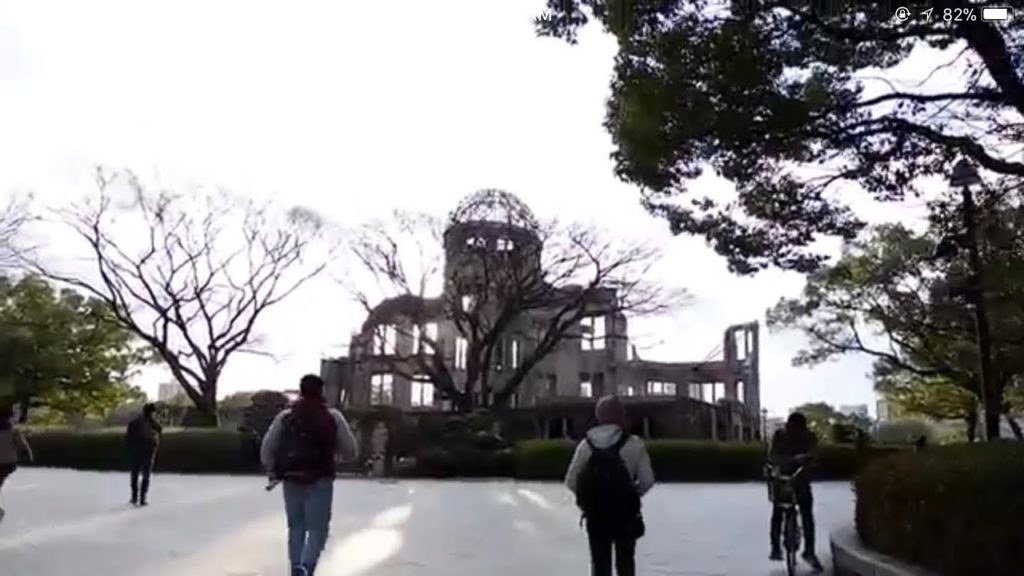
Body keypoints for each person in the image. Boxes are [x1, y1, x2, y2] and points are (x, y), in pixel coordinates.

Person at [261, 374, 358, 576]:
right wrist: (337, 458)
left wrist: (272, 470)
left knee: (296, 527)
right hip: (321, 478)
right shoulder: (333, 416)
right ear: (322, 391)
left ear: (301, 391)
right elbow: (351, 450)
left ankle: (296, 567)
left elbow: (267, 448)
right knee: (318, 529)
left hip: (291, 478)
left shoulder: (286, 417)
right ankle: (306, 566)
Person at [565, 395, 655, 576]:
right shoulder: (634, 444)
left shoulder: (586, 445)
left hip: (596, 515)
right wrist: (632, 493)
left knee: (599, 564)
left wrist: (588, 498)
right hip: (625, 515)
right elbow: (648, 480)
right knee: (626, 564)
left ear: (598, 416)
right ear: (620, 415)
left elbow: (570, 481)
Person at [768, 412, 824, 571]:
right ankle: (808, 552)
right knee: (805, 515)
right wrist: (798, 460)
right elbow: (773, 456)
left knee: (780, 513)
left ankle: (777, 548)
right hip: (792, 480)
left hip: (790, 480)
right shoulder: (802, 436)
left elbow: (773, 456)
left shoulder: (782, 435)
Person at [0, 405, 33, 524]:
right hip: (8, 462)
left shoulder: (13, 431)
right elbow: (22, 445)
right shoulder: (13, 431)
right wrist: (27, 455)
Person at [125, 402, 163, 506]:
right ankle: (142, 498)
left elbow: (128, 438)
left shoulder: (134, 422)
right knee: (146, 474)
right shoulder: (153, 423)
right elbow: (160, 430)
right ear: (152, 412)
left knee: (135, 474)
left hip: (135, 450)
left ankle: (134, 497)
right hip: (148, 451)